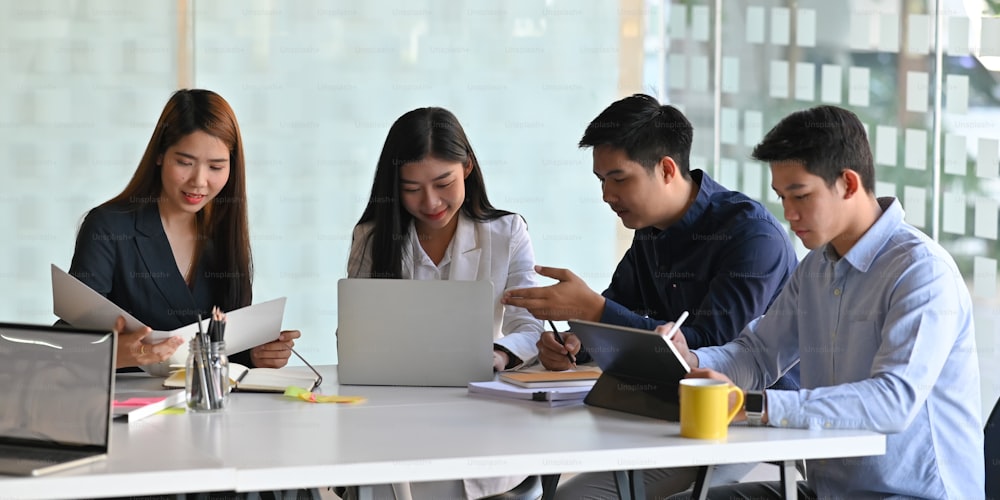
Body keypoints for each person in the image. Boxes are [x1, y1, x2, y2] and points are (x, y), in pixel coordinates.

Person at [663, 105, 983, 498]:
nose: (789, 214)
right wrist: (692, 359)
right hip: (823, 491)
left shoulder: (921, 272)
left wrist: (753, 407)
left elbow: (892, 401)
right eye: (782, 197)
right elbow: (759, 354)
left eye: (800, 196)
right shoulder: (816, 268)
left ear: (848, 184)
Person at [501, 94, 799, 498]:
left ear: (666, 169)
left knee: (575, 497)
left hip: (739, 420)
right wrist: (577, 341)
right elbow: (621, 306)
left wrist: (593, 310)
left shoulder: (752, 236)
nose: (607, 194)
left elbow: (711, 351)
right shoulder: (650, 230)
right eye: (601, 180)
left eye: (619, 178)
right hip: (656, 411)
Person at [345, 106, 544, 499]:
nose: (431, 201)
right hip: (394, 411)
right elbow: (354, 332)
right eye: (412, 188)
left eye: (443, 182)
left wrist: (500, 353)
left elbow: (530, 326)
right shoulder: (372, 238)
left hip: (479, 411)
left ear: (467, 167)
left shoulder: (507, 232)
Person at [68, 89, 300, 370]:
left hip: (209, 405)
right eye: (185, 163)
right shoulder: (108, 227)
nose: (199, 181)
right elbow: (69, 339)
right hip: (129, 405)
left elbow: (226, 345)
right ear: (160, 155)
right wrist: (119, 354)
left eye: (216, 166)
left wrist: (256, 355)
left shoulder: (223, 233)